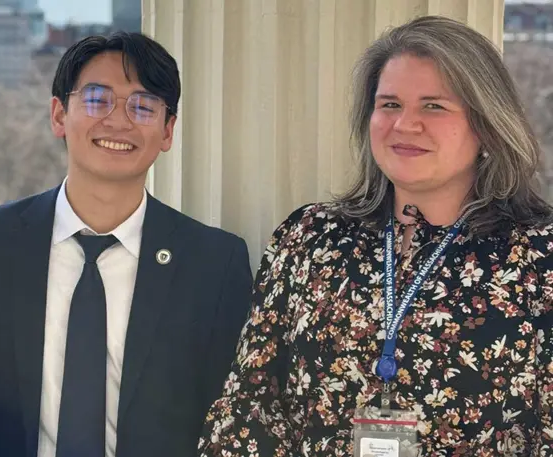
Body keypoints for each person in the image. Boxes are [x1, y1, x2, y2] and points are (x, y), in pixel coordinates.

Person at [198, 15, 553, 457]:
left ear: (486, 125)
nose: (405, 124)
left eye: (433, 106)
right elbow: (249, 408)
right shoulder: (309, 238)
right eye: (389, 105)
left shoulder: (539, 258)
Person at [0, 31, 253, 457]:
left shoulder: (213, 265)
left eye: (143, 106)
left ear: (168, 131)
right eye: (97, 98)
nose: (118, 120)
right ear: (59, 114)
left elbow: (236, 417)